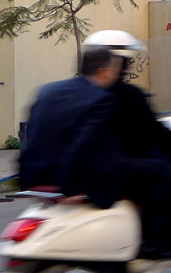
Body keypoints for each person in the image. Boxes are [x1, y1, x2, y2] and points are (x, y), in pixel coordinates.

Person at [85, 30, 171, 256]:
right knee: (166, 176)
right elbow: (153, 133)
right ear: (117, 62)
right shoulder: (127, 94)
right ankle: (154, 242)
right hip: (116, 165)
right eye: (127, 61)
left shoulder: (76, 91)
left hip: (81, 167)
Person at [17, 45, 125, 209]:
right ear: (103, 71)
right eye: (114, 70)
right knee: (157, 175)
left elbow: (33, 134)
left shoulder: (47, 90)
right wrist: (69, 189)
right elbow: (82, 145)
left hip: (32, 177)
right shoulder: (101, 98)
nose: (116, 75)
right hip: (64, 183)